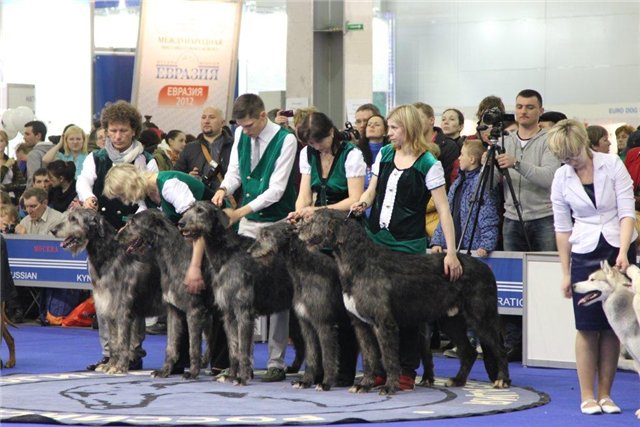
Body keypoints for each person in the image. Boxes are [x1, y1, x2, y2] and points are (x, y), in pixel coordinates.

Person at [351, 104, 462, 390]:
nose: (388, 134)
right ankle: (376, 368)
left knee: (406, 314)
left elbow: (444, 211)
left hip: (408, 249)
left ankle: (405, 371)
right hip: (375, 243)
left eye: (394, 128)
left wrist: (450, 251)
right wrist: (363, 201)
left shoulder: (429, 163)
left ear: (409, 129)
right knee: (373, 311)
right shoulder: (386, 154)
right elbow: (372, 189)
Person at [548, 119, 635, 415]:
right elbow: (561, 228)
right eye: (564, 158)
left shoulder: (612, 164)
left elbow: (626, 212)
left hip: (617, 247)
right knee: (586, 327)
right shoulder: (561, 177)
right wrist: (564, 271)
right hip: (583, 250)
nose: (570, 161)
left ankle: (606, 394)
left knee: (614, 327)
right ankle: (587, 395)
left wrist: (624, 251)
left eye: (573, 154)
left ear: (584, 144)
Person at [212, 93, 297, 383]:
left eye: (249, 125)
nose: (245, 131)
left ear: (263, 116)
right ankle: (240, 361)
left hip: (278, 223)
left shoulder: (286, 140)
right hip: (248, 223)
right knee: (240, 293)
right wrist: (224, 188)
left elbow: (276, 189)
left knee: (278, 293)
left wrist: (239, 212)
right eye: (241, 126)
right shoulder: (240, 133)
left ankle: (276, 361)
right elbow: (235, 172)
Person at [76, 100, 157, 371]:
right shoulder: (96, 158)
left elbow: (148, 199)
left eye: (123, 131)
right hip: (101, 243)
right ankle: (109, 353)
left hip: (134, 241)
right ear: (106, 131)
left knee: (132, 299)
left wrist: (136, 223)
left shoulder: (146, 159)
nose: (118, 136)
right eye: (113, 131)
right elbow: (84, 181)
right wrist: (87, 198)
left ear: (133, 130)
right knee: (103, 300)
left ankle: (133, 353)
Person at [492, 89, 561, 361]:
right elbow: (494, 185)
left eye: (530, 107)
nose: (523, 112)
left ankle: (548, 342)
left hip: (544, 218)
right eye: (520, 107)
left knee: (547, 282)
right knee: (512, 286)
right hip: (511, 219)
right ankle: (514, 344)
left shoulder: (550, 141)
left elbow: (550, 178)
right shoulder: (505, 140)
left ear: (540, 111)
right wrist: (491, 167)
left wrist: (517, 163)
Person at [289, 111, 366, 220]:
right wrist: (299, 213)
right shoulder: (307, 153)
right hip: (319, 221)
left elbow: (355, 199)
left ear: (331, 132)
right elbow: (304, 196)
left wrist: (319, 210)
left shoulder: (351, 154)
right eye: (311, 143)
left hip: (347, 222)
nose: (316, 147)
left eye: (319, 141)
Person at [174, 106, 233, 192]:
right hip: (198, 199)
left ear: (222, 123)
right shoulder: (190, 148)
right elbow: (176, 175)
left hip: (226, 199)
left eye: (212, 117)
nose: (206, 121)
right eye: (203, 117)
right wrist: (187, 177)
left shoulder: (233, 146)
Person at [358, 115, 389, 189]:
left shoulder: (390, 152)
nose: (372, 126)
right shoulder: (357, 152)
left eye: (377, 124)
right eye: (369, 124)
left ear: (385, 131)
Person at [24, 120, 53, 186]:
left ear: (38, 135)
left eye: (27, 134)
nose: (24, 137)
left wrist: (25, 195)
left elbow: (33, 181)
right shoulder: (55, 151)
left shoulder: (33, 154)